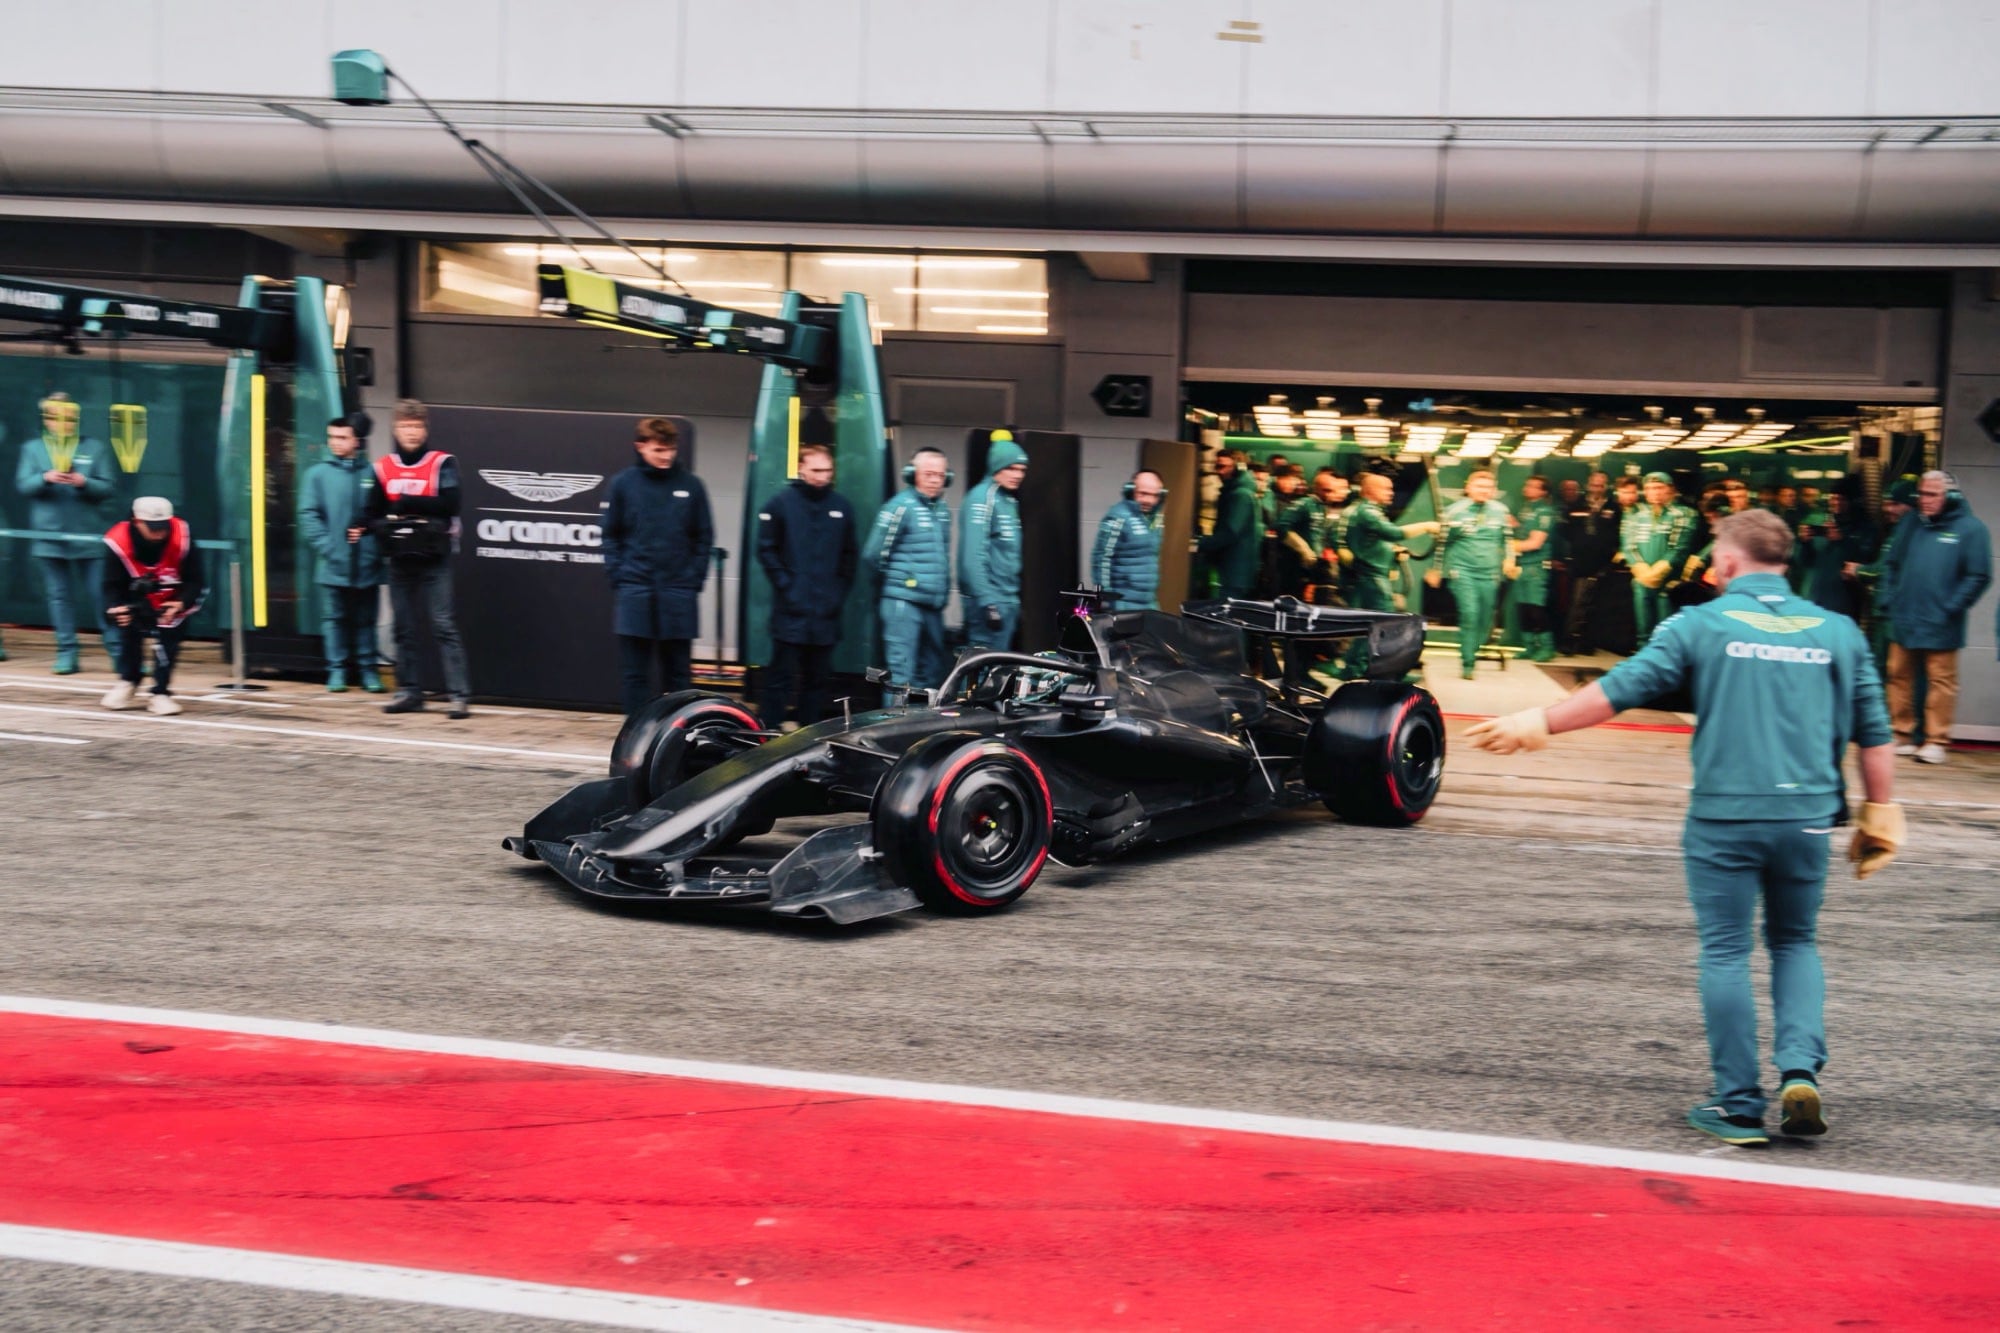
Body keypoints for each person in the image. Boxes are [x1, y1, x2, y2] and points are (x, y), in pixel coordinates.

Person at [1467, 509, 1900, 1148]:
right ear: (1785, 563)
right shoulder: (1841, 632)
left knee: (1727, 950)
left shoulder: (1700, 622)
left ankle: (1738, 1105)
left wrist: (1539, 723)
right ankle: (1800, 1072)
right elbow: (1876, 733)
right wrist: (1879, 813)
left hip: (1726, 815)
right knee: (1796, 942)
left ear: (1728, 562)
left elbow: (1620, 688)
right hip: (1808, 817)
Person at [366, 399, 471, 718]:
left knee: (443, 625)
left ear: (425, 429)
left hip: (434, 557)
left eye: (416, 426)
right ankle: (409, 691)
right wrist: (382, 523)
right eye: (405, 426)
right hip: (400, 558)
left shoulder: (443, 463)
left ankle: (458, 695)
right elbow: (371, 512)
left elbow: (451, 503)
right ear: (395, 429)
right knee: (403, 627)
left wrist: (407, 503)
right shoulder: (383, 466)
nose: (411, 432)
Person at [603, 416, 713, 717]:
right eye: (658, 450)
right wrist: (621, 578)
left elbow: (704, 538)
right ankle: (637, 734)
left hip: (678, 594)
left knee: (678, 676)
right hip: (635, 593)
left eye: (670, 450)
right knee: (635, 675)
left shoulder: (691, 486)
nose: (666, 456)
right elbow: (610, 536)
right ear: (640, 446)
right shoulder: (623, 485)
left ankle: (679, 734)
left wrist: (692, 582)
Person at [1880, 470, 1992, 764]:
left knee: (1941, 681)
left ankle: (1935, 740)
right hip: (1905, 615)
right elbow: (1891, 565)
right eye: (1922, 494)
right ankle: (1902, 735)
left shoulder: (1971, 529)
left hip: (1942, 620)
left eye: (1932, 495)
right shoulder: (1909, 524)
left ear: (1951, 496)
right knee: (1897, 676)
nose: (1924, 501)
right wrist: (1889, 598)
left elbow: (1979, 575)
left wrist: (1950, 607)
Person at [15, 392, 121, 674]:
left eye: (70, 418)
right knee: (59, 597)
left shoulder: (94, 448)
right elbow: (24, 486)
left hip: (88, 535)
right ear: (47, 421)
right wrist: (45, 478)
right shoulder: (33, 449)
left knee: (101, 595)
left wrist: (83, 481)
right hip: (48, 536)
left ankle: (119, 652)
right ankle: (67, 653)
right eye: (58, 418)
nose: (65, 423)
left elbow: (107, 487)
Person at [755, 444, 857, 730]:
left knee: (817, 682)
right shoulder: (781, 504)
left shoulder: (841, 507)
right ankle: (767, 735)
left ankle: (808, 736)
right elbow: (766, 550)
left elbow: (850, 556)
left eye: (827, 470)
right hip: (791, 614)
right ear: (801, 468)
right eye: (815, 470)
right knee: (780, 679)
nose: (822, 476)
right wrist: (788, 587)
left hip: (825, 616)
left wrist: (836, 594)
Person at [297, 415, 385, 693]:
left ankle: (368, 671)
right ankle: (337, 671)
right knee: (334, 619)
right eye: (332, 437)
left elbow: (381, 515)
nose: (335, 442)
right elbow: (308, 515)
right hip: (333, 563)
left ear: (356, 440)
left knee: (366, 619)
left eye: (342, 437)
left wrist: (373, 549)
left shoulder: (373, 473)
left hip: (367, 563)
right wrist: (328, 546)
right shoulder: (317, 475)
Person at [99, 496, 206, 716]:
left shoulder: (182, 536)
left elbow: (197, 580)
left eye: (164, 526)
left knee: (168, 641)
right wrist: (116, 607)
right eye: (153, 527)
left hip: (174, 597)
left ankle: (160, 692)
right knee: (127, 631)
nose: (160, 532)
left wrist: (180, 602)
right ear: (137, 522)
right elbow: (111, 583)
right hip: (135, 593)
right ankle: (128, 680)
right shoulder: (117, 541)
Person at [863, 447, 952, 699]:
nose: (935, 480)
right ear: (914, 475)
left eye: (940, 474)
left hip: (932, 607)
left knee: (932, 675)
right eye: (929, 474)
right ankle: (891, 731)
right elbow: (872, 554)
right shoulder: (899, 507)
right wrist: (896, 586)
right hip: (903, 606)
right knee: (900, 676)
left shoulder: (942, 511)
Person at [1429, 469, 1515, 679]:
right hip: (1463, 571)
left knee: (1486, 620)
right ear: (1468, 487)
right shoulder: (1454, 512)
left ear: (1493, 490)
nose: (1483, 491)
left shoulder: (1501, 511)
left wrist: (1510, 559)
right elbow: (1442, 544)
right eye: (1479, 486)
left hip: (1490, 573)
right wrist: (1436, 569)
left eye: (1488, 487)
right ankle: (1468, 662)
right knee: (1470, 614)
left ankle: (1473, 651)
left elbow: (1508, 540)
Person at [959, 431, 1028, 652]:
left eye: (1021, 470)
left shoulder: (1007, 501)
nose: (1017, 475)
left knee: (998, 672)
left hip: (1006, 600)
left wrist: (1013, 603)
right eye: (1011, 468)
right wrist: (988, 602)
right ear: (996, 467)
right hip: (988, 602)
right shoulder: (982, 498)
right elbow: (972, 558)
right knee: (981, 669)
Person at [1621, 471, 1700, 646]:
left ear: (1670, 489)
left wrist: (1659, 571)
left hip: (1669, 581)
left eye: (1659, 487)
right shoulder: (1636, 515)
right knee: (1643, 631)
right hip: (1642, 581)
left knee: (1666, 630)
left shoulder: (1685, 514)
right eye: (1649, 488)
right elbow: (1628, 545)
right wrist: (1641, 570)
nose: (1654, 492)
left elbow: (1680, 548)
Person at [1797, 482, 1877, 620]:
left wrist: (1842, 541)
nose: (1836, 503)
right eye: (1833, 498)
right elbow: (1805, 562)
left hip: (1844, 603)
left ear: (1852, 502)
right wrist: (1805, 543)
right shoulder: (1819, 520)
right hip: (1815, 599)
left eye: (1842, 499)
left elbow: (1865, 561)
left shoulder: (1865, 528)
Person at [1092, 468, 1166, 610]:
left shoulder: (1156, 518)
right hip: (1123, 604)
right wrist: (1107, 598)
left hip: (1149, 602)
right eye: (1143, 493)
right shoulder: (1118, 515)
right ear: (1131, 491)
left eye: (1154, 495)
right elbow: (1101, 558)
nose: (1148, 500)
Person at [1197, 450, 1261, 599]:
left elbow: (1230, 532)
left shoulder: (1240, 495)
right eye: (1217, 466)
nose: (1219, 472)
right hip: (1236, 570)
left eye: (1223, 466)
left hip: (1234, 571)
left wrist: (1202, 543)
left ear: (1238, 468)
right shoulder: (1241, 492)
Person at [1280, 469, 1349, 603]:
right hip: (1296, 565)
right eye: (1327, 490)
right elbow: (1281, 526)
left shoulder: (1322, 507)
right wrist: (1303, 549)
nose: (1330, 495)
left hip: (1314, 566)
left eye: (1333, 490)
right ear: (1317, 489)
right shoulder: (1303, 504)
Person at [1512, 474, 1560, 662]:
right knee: (1524, 608)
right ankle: (1529, 647)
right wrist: (1514, 525)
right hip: (1520, 566)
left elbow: (1535, 543)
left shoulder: (1545, 511)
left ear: (1543, 491)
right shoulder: (1526, 508)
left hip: (1536, 567)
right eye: (1527, 484)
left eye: (1533, 486)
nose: (1527, 488)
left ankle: (1547, 648)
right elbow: (1522, 530)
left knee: (1536, 609)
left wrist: (1507, 548)